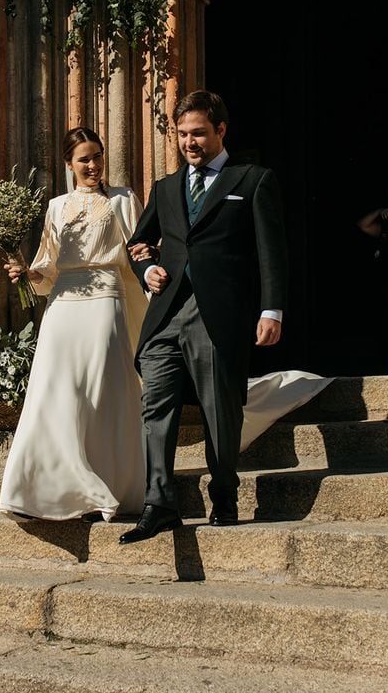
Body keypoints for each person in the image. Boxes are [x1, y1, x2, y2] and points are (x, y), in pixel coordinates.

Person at [119, 89, 289, 544]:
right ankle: (159, 503)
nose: (189, 143)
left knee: (219, 408)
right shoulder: (165, 188)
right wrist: (146, 267)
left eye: (197, 133)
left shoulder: (252, 180)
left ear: (221, 131)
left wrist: (270, 308)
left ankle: (225, 497)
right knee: (155, 406)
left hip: (218, 314)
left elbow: (272, 253)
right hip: (165, 314)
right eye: (181, 135)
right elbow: (138, 241)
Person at [0, 126, 150, 522]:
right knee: (55, 391)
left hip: (106, 302)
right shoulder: (55, 207)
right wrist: (25, 272)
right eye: (84, 158)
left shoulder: (122, 200)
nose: (93, 165)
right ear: (69, 164)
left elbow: (139, 254)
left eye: (97, 156)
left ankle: (106, 485)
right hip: (62, 305)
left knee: (100, 392)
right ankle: (38, 490)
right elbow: (46, 268)